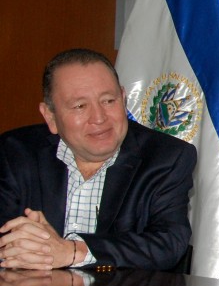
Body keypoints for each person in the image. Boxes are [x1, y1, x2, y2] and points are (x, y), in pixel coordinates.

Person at [0, 48, 196, 271]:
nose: (99, 118)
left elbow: (168, 244)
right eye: (80, 106)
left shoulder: (166, 157)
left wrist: (73, 251)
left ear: (123, 99)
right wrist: (27, 245)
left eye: (109, 101)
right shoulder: (15, 152)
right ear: (50, 117)